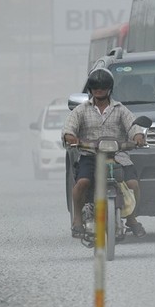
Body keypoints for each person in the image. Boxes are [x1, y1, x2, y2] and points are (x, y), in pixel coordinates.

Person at [62, 67, 147, 239]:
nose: (98, 90)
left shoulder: (120, 109)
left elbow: (134, 126)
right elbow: (69, 129)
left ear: (110, 88)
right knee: (82, 183)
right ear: (90, 89)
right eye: (95, 87)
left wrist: (138, 136)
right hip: (90, 156)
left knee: (133, 185)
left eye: (102, 87)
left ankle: (132, 219)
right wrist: (71, 137)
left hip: (119, 156)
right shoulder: (81, 110)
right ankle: (77, 220)